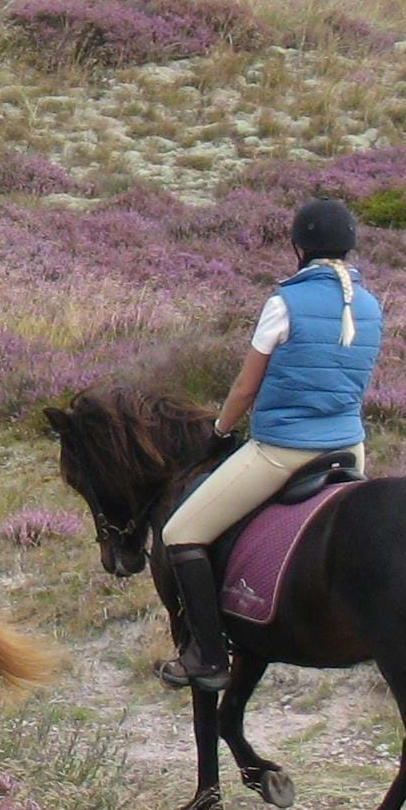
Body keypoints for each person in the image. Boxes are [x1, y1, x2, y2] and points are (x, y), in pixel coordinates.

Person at [152, 196, 383, 692]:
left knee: (180, 534)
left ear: (298, 247)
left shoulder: (285, 302)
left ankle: (208, 656)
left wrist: (219, 431)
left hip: (284, 451)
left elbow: (245, 388)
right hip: (349, 450)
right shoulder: (369, 305)